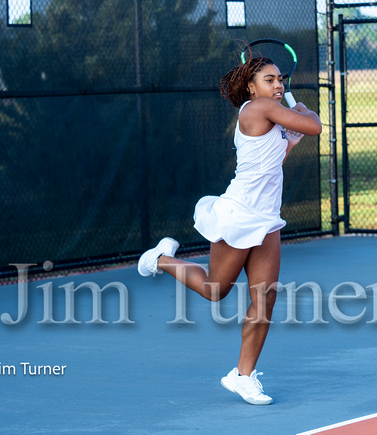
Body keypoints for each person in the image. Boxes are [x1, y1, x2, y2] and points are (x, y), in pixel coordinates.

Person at [138, 55, 322, 405]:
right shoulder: (256, 109)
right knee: (214, 289)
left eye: (280, 79)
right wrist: (303, 109)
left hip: (266, 219)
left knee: (265, 297)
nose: (278, 84)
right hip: (238, 215)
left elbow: (268, 165)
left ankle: (243, 375)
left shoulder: (271, 117)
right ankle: (161, 259)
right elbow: (314, 126)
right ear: (251, 87)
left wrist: (289, 143)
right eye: (269, 80)